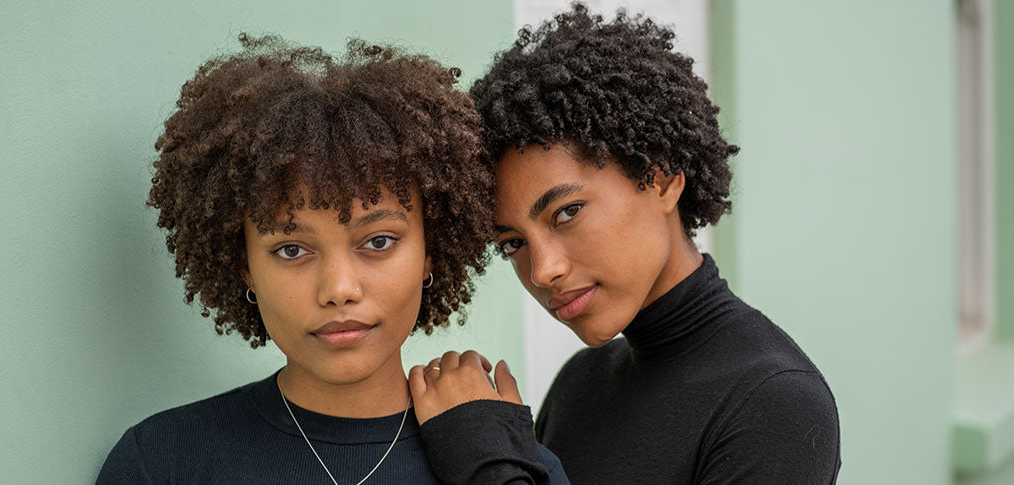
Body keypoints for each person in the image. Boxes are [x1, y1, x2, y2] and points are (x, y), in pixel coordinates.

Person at [96, 34, 567, 484]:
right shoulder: (161, 464)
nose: (339, 289)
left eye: (378, 241)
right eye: (292, 249)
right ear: (245, 267)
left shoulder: (511, 470)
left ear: (431, 251)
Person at [410, 4, 842, 484]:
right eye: (513, 243)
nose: (543, 270)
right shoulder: (579, 385)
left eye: (567, 212)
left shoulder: (776, 401)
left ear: (662, 178)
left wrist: (484, 458)